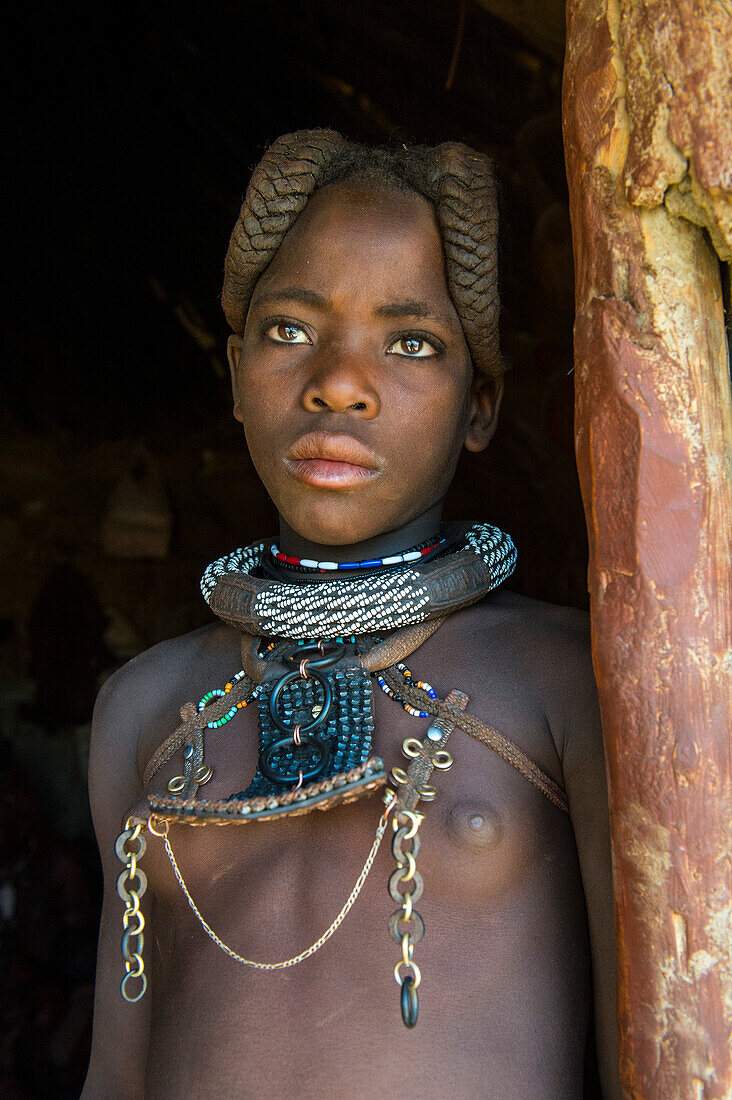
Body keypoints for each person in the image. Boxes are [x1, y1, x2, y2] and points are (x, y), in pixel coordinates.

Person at [83, 130, 621, 1099]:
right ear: (237, 371)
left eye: (410, 340)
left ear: (481, 404)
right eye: (291, 328)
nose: (338, 380)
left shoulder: (571, 680)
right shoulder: (145, 704)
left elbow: (660, 1060)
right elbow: (115, 1075)